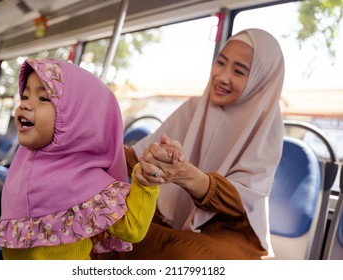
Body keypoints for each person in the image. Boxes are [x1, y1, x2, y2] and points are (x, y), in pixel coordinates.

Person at [96, 28, 285, 260]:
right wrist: (92, 144)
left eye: (239, 71)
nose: (222, 76)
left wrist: (185, 175)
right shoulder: (194, 107)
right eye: (221, 63)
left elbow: (242, 200)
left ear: (261, 79)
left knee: (189, 255)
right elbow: (138, 156)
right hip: (168, 215)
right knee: (106, 227)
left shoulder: (267, 125)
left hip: (227, 230)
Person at [0, 58, 159, 260]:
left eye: (43, 99)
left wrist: (147, 182)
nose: (25, 106)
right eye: (25, 96)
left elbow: (132, 229)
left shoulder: (90, 184)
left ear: (77, 118)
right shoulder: (22, 164)